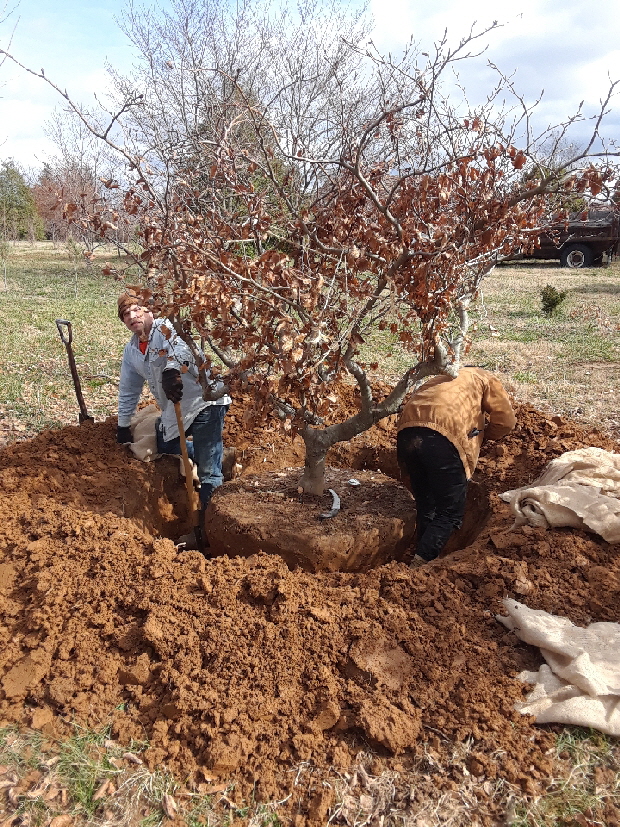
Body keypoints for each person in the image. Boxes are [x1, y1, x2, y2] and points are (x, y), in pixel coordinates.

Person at [116, 291, 231, 524]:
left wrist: (171, 369)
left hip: (204, 401)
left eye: (136, 309)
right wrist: (123, 424)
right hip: (176, 405)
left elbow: (181, 349)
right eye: (126, 314)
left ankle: (208, 528)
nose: (132, 316)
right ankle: (219, 455)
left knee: (208, 473)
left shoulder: (167, 327)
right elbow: (128, 389)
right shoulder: (131, 351)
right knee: (165, 442)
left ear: (149, 310)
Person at [396, 367, 516, 564]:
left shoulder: (441, 375)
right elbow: (506, 422)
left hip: (407, 434)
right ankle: (420, 564)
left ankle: (420, 549)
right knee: (449, 512)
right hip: (443, 439)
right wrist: (485, 436)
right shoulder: (485, 378)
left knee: (426, 504)